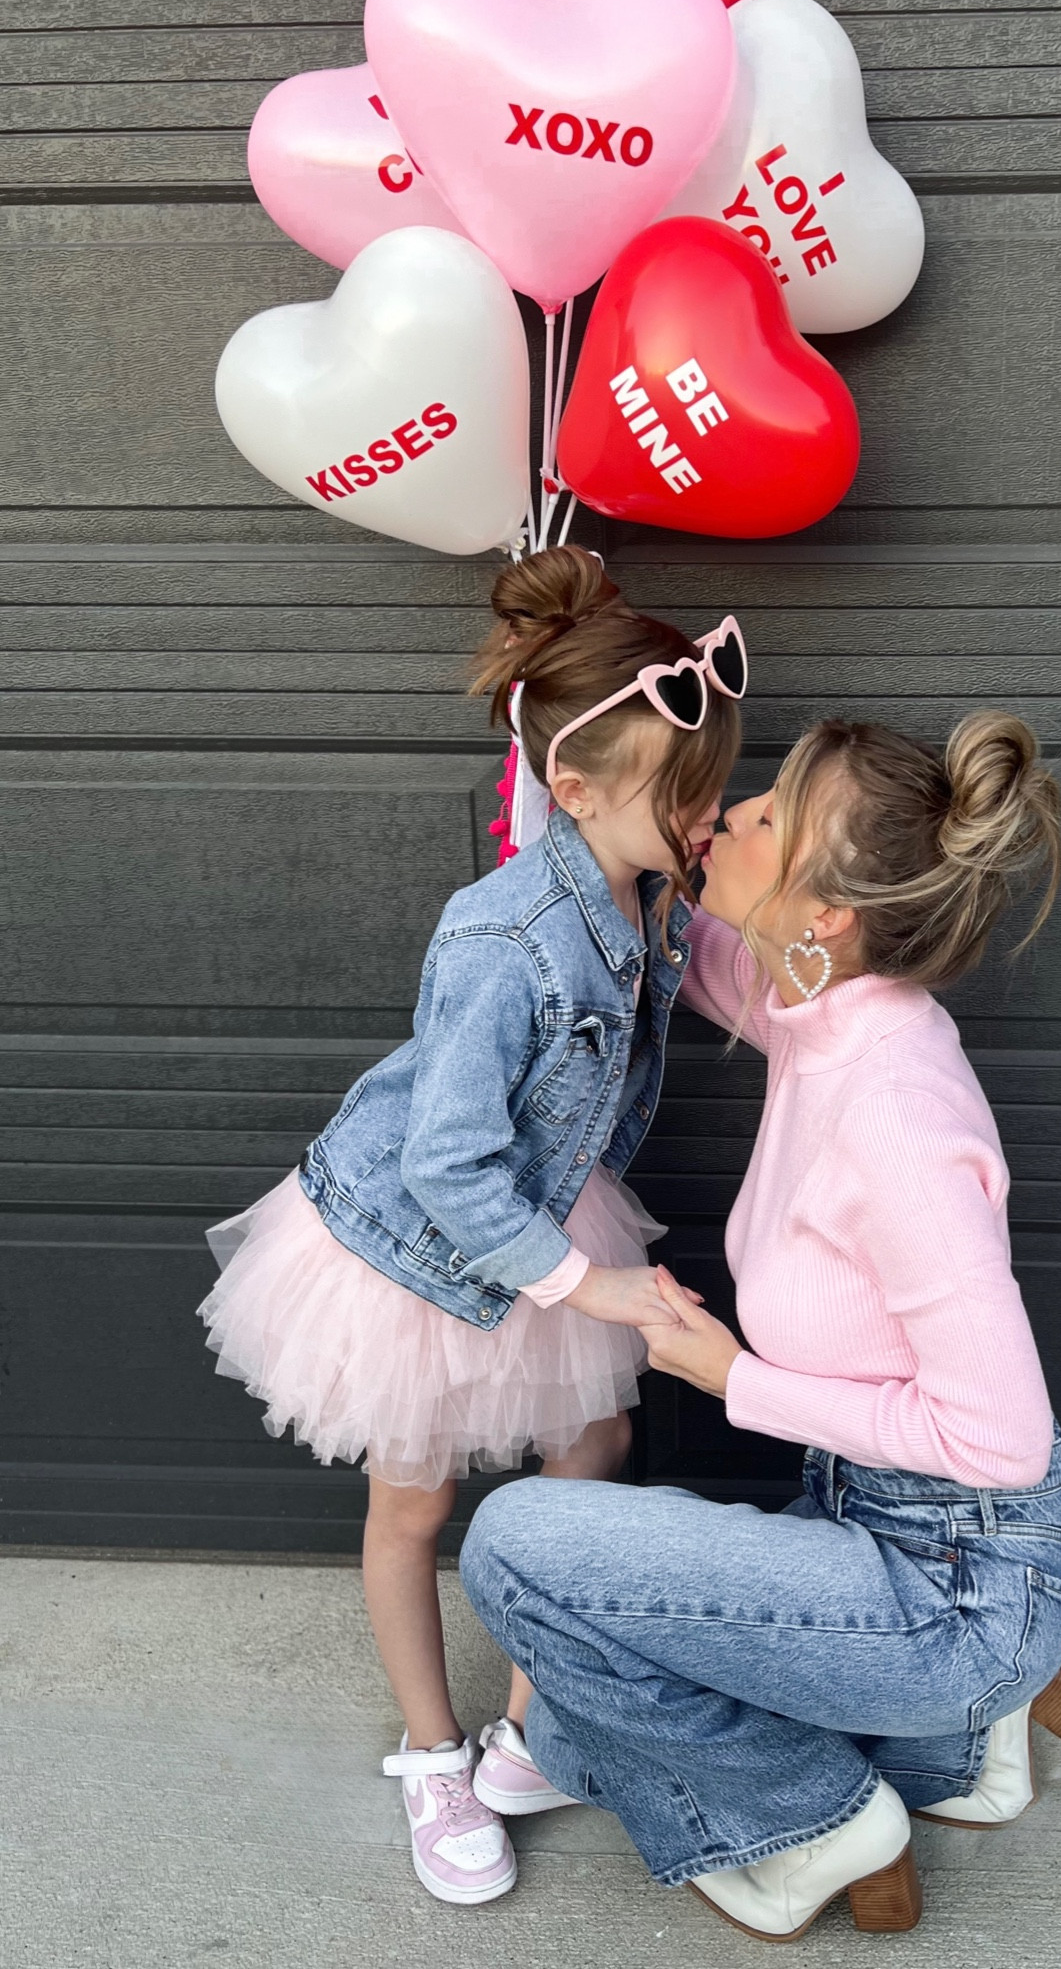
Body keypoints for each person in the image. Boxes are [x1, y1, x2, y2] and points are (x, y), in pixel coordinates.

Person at [459, 708, 1061, 1942]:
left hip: (955, 1582)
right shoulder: (818, 1001)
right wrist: (578, 788)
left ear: (828, 914)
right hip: (871, 1521)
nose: (733, 813)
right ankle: (962, 1746)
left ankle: (824, 1815)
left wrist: (734, 1374)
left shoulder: (897, 1112)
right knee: (559, 1729)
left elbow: (1004, 1438)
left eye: (766, 816)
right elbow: (683, 940)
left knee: (514, 1553)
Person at [197, 547, 744, 1905]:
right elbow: (447, 1165)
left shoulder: (643, 886)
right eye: (687, 794)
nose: (710, 814)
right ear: (577, 792)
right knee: (417, 1494)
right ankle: (431, 1754)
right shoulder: (502, 940)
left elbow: (682, 991)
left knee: (597, 1437)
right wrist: (590, 1289)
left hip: (545, 1206)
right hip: (419, 1239)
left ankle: (525, 1728)